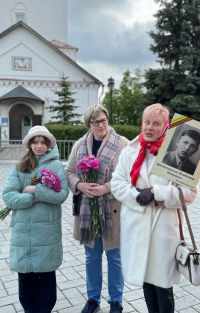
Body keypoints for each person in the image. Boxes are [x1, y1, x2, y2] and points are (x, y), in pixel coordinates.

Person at [111, 103, 198, 313]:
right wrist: (139, 196)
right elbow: (117, 184)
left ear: (166, 127)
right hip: (137, 224)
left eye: (156, 124)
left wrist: (157, 193)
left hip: (163, 228)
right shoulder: (129, 152)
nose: (149, 127)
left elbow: (190, 193)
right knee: (146, 279)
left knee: (163, 284)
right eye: (146, 122)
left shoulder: (177, 157)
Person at [66, 104, 129, 313]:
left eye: (103, 120)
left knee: (115, 258)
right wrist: (80, 185)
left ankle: (116, 301)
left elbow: (129, 176)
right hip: (87, 210)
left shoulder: (123, 144)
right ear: (89, 124)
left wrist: (106, 188)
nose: (101, 125)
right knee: (92, 258)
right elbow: (69, 171)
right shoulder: (80, 145)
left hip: (113, 209)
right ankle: (93, 299)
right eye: (96, 122)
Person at [2, 126, 69, 313]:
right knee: (26, 278)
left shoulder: (55, 166)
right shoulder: (20, 166)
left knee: (47, 276)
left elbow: (62, 194)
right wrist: (34, 198)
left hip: (47, 232)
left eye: (42, 142)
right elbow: (8, 196)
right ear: (30, 144)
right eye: (35, 142)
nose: (39, 146)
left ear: (48, 144)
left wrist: (35, 190)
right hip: (24, 232)